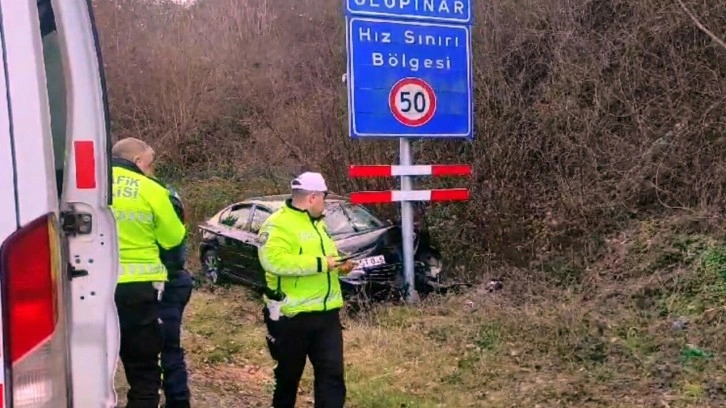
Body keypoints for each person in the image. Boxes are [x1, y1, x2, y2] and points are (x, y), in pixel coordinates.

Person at [257, 172, 356, 408]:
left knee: (332, 377)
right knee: (288, 379)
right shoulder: (276, 224)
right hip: (291, 317)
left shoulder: (318, 224)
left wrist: (340, 266)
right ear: (313, 197)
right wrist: (322, 264)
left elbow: (326, 258)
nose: (325, 203)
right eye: (324, 197)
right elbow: (273, 262)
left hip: (326, 315)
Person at [111, 137, 187, 408]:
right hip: (139, 290)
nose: (152, 170)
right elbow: (174, 238)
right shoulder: (151, 189)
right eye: (151, 164)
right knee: (143, 374)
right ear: (138, 162)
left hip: (90, 288)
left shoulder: (87, 186)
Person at [156, 185, 193, 408]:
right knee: (169, 348)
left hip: (163, 284)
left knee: (161, 350)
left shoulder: (158, 196)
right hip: (174, 283)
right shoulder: (165, 195)